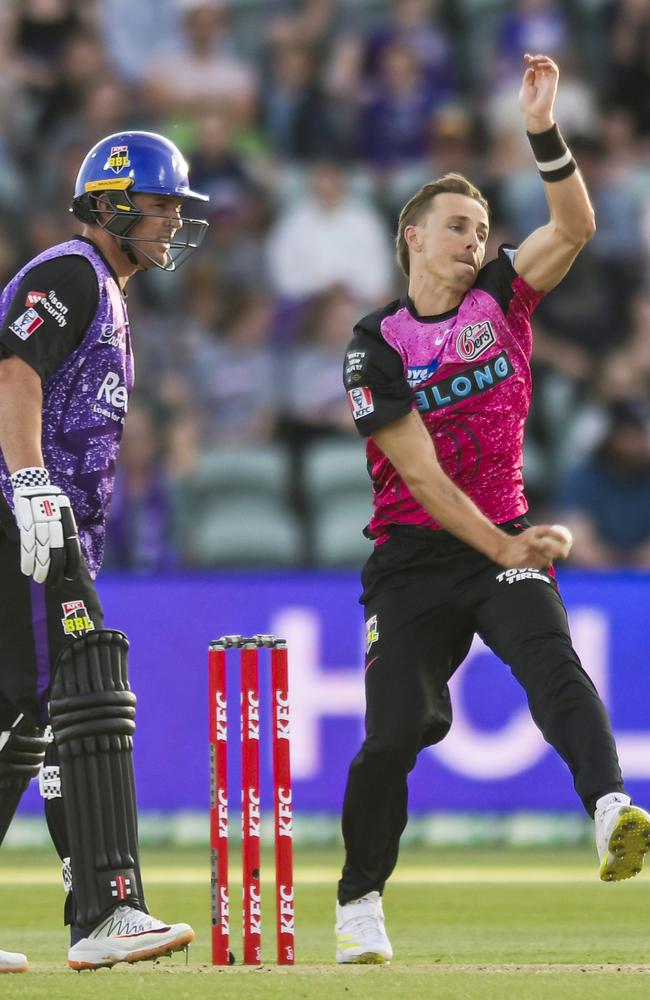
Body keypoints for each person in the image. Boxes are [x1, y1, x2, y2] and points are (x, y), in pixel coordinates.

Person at [337, 54, 650, 965]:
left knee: (552, 660)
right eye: (457, 228)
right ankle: (360, 901)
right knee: (399, 731)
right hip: (411, 554)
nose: (475, 241)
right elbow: (424, 478)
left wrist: (544, 134)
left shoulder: (501, 298)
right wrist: (508, 538)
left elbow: (576, 223)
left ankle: (609, 809)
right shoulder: (374, 345)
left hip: (499, 544)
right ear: (412, 239)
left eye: (480, 228)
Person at [0, 130, 209, 973]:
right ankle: (107, 910)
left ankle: (103, 908)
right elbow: (14, 370)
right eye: (159, 209)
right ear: (112, 206)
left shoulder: (113, 295)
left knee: (30, 719)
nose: (171, 225)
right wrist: (29, 483)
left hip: (46, 523)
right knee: (77, 696)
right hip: (27, 520)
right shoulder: (71, 272)